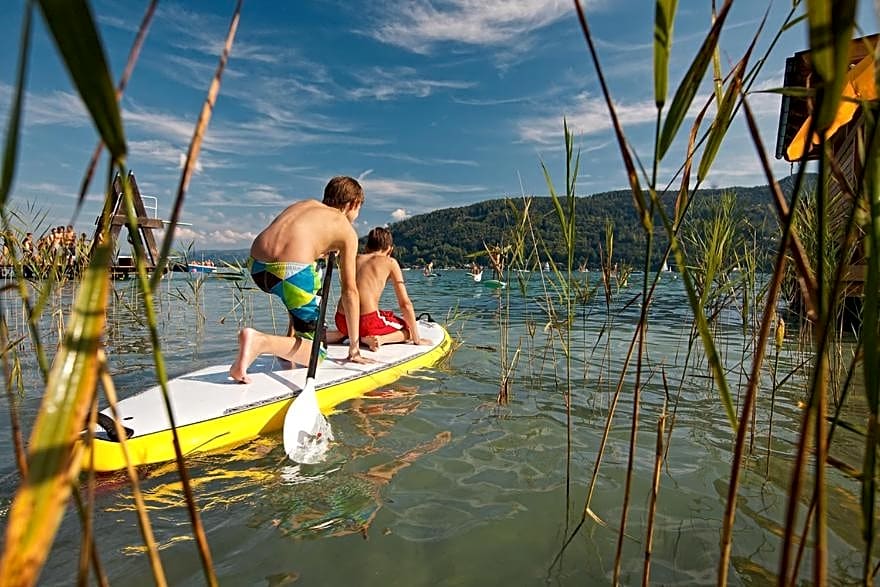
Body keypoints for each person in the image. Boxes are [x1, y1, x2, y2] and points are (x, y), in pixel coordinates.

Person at [229, 176, 372, 383]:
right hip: (292, 271)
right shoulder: (346, 230)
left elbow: (291, 243)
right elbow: (349, 291)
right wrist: (354, 349)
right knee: (318, 353)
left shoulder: (304, 204)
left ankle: (287, 346)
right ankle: (260, 342)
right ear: (354, 204)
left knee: (302, 282)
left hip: (257, 265)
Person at [329, 227, 431, 351]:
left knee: (384, 314)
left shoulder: (354, 258)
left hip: (342, 320)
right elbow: (405, 304)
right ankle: (378, 339)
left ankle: (346, 335)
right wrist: (417, 339)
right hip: (367, 323)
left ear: (367, 247)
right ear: (390, 249)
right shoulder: (390, 262)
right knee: (408, 328)